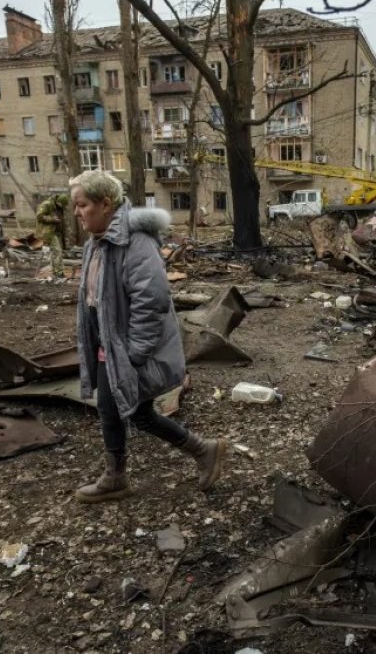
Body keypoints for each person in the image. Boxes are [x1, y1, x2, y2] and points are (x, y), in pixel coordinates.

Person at [71, 171, 226, 503]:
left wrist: (135, 353)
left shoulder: (135, 242)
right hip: (110, 346)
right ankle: (123, 474)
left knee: (128, 411)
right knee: (116, 409)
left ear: (105, 204)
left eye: (82, 205)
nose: (77, 212)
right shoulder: (96, 243)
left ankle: (198, 451)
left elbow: (151, 300)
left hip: (127, 348)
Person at [35, 194, 68, 278]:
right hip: (47, 232)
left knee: (55, 252)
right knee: (57, 251)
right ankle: (59, 273)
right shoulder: (47, 204)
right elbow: (39, 216)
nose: (63, 207)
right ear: (58, 201)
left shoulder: (58, 207)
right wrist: (53, 219)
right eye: (62, 204)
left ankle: (55, 271)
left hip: (55, 232)